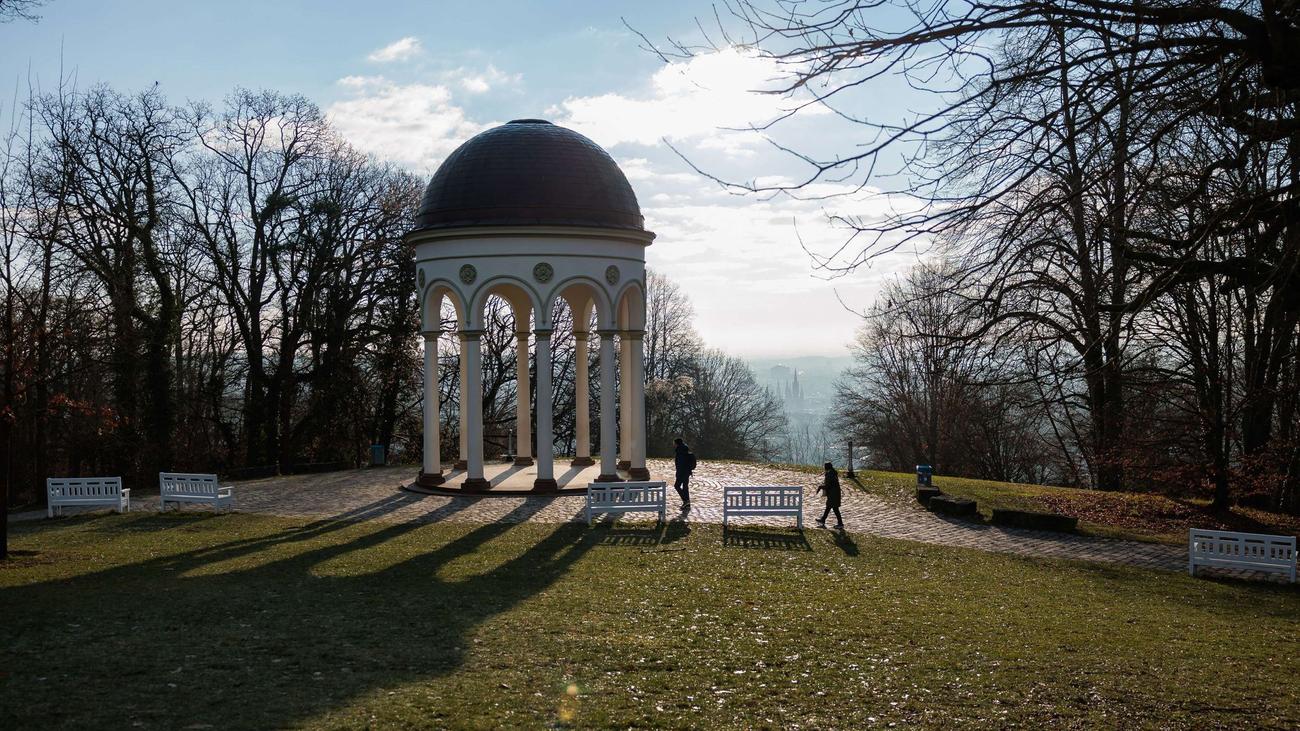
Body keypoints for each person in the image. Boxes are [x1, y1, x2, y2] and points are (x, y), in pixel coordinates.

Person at [816, 461, 844, 529]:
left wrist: (820, 487)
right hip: (835, 493)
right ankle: (823, 520)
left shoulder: (829, 474)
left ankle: (840, 524)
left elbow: (827, 486)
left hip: (833, 494)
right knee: (829, 507)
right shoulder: (833, 473)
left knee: (835, 509)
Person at [673, 437, 695, 509]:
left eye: (674, 443)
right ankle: (687, 504)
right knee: (685, 487)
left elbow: (680, 464)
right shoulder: (685, 449)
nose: (673, 445)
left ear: (677, 443)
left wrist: (678, 473)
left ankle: (686, 501)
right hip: (687, 471)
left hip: (682, 472)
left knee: (677, 486)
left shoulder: (680, 451)